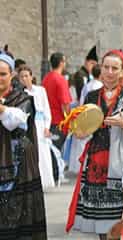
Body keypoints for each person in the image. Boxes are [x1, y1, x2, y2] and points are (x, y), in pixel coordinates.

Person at [67, 49, 123, 240]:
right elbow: (85, 132)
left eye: (115, 68)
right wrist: (79, 132)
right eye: (106, 67)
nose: (109, 72)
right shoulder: (92, 96)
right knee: (102, 226)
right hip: (97, 164)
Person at [0, 52, 47, 239]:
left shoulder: (23, 99)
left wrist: (1, 108)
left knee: (18, 214)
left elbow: (14, 121)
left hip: (19, 166)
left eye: (3, 74)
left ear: (11, 75)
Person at [19, 66, 55, 189]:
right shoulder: (20, 93)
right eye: (22, 76)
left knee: (43, 152)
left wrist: (47, 126)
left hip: (40, 125)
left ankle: (45, 180)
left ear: (31, 76)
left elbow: (46, 109)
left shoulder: (40, 90)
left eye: (26, 76)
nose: (24, 79)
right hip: (29, 125)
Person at [42, 52, 71, 183]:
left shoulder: (46, 78)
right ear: (61, 63)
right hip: (59, 120)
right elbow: (65, 103)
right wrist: (70, 120)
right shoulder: (60, 79)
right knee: (56, 150)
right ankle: (56, 174)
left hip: (47, 120)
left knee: (51, 149)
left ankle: (54, 174)